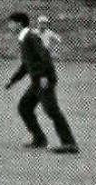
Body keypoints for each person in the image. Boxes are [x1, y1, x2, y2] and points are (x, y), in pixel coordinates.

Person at [4, 12, 78, 154]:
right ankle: (39, 139)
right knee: (24, 107)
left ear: (19, 24)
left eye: (11, 23)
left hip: (44, 80)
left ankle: (70, 143)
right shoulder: (24, 38)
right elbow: (27, 64)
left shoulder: (31, 37)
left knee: (52, 110)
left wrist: (44, 76)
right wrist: (13, 80)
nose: (9, 25)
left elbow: (44, 55)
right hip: (37, 81)